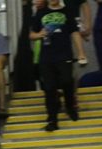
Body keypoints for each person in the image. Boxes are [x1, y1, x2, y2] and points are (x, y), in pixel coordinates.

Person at [30, 0, 81, 132]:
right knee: (49, 87)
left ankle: (70, 106)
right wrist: (39, 35)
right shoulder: (40, 13)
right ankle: (52, 119)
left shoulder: (67, 11)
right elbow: (31, 34)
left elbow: (75, 32)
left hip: (64, 54)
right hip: (46, 57)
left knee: (67, 80)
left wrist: (81, 52)